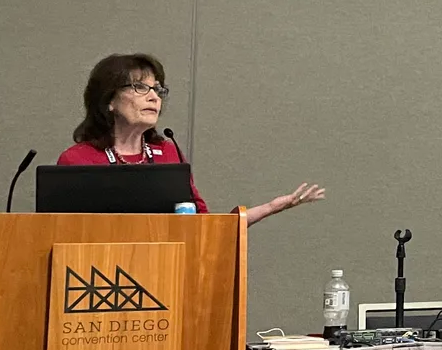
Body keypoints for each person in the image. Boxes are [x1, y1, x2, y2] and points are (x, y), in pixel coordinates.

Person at [58, 53, 324, 225]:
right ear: (109, 101)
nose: (154, 97)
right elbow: (56, 235)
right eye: (140, 87)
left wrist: (268, 208)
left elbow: (204, 228)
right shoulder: (78, 160)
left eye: (157, 89)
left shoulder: (168, 154)